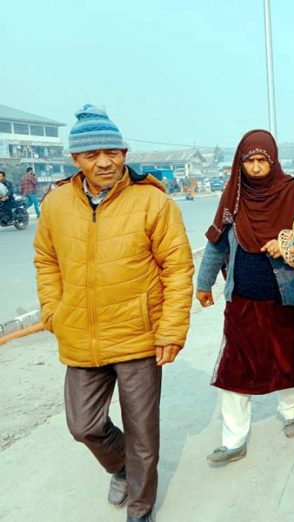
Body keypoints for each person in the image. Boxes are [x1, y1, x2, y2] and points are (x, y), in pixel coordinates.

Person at [33, 104, 194, 522]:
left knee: (143, 434)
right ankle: (120, 466)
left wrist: (171, 329)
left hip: (139, 335)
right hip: (80, 334)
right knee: (83, 425)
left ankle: (140, 510)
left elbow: (177, 267)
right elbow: (46, 260)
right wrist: (53, 311)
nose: (104, 161)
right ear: (75, 160)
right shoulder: (54, 204)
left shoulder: (151, 201)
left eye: (113, 151)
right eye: (92, 155)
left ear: (124, 152)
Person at [196, 129, 294, 467]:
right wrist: (203, 284)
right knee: (233, 368)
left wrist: (288, 243)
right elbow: (216, 243)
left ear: (273, 161)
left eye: (260, 160)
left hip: (289, 296)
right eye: (248, 161)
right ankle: (233, 440)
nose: (254, 167)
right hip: (244, 297)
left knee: (290, 358)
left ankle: (291, 412)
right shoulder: (233, 197)